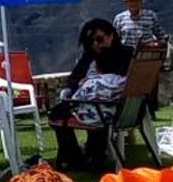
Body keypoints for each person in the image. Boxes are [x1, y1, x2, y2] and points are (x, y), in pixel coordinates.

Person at [51, 18, 132, 171]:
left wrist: (92, 83)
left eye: (99, 39)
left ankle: (78, 157)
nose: (95, 44)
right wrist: (80, 84)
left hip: (107, 106)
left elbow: (117, 83)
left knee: (58, 114)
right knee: (62, 111)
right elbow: (73, 78)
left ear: (111, 36)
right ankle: (89, 154)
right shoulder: (90, 56)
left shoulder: (123, 55)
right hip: (108, 106)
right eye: (91, 41)